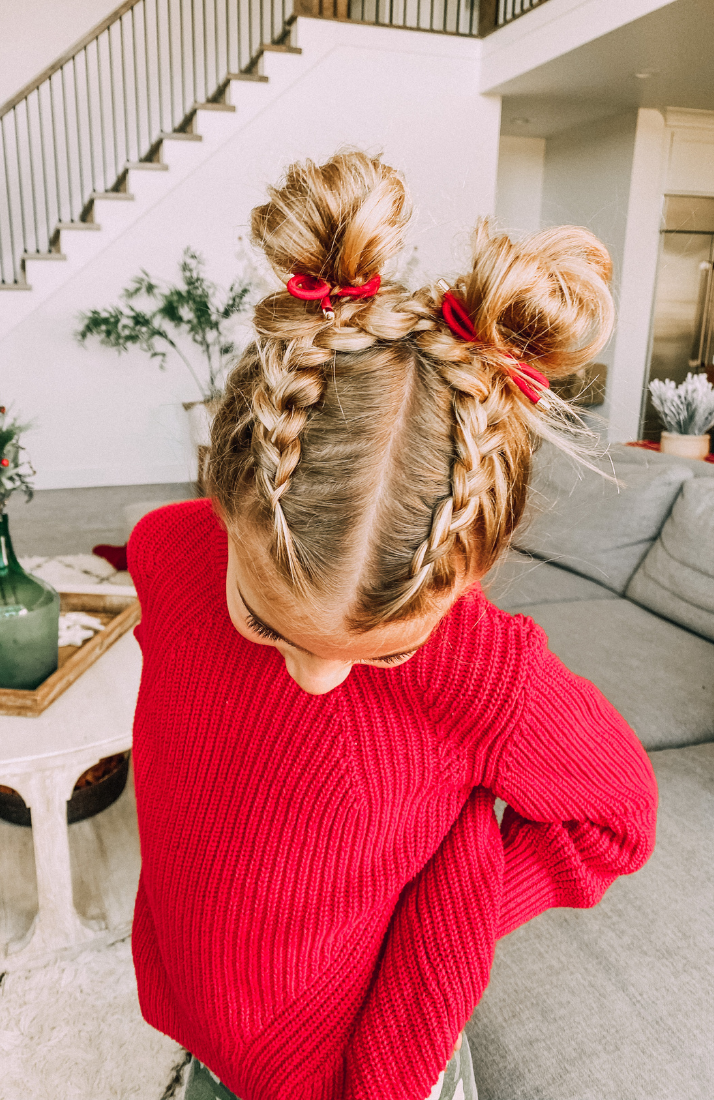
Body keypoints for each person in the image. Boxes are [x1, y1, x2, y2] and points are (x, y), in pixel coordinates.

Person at [128, 151, 658, 1100]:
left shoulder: (486, 674)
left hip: (370, 1070)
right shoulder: (167, 552)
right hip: (206, 1019)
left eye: (386, 650)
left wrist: (449, 909)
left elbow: (616, 818)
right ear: (220, 498)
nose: (317, 678)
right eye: (267, 622)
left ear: (474, 577)